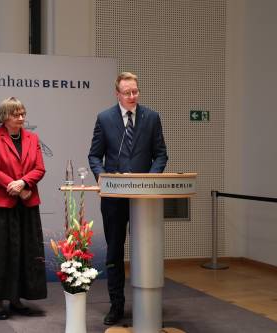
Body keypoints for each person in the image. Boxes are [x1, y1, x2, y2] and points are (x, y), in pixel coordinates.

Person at [88, 72, 168, 325]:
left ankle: (146, 304)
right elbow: (94, 156)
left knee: (144, 248)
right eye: (127, 92)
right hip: (114, 197)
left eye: (135, 91)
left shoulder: (151, 117)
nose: (132, 96)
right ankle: (116, 305)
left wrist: (151, 179)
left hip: (144, 198)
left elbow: (161, 155)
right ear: (117, 94)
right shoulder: (105, 118)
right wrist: (103, 179)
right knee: (114, 251)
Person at [0, 97, 47, 320]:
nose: (21, 118)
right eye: (16, 114)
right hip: (3, 203)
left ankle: (17, 299)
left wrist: (24, 183)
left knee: (26, 252)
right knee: (1, 253)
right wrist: (19, 188)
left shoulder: (32, 138)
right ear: (5, 117)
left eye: (22, 114)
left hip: (27, 204)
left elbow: (40, 168)